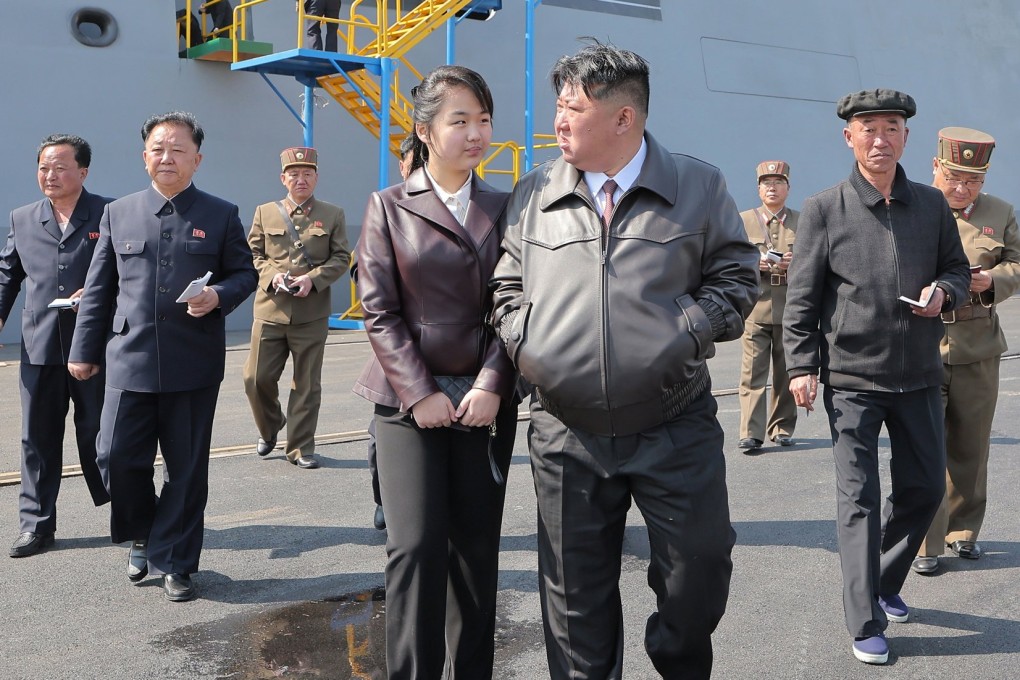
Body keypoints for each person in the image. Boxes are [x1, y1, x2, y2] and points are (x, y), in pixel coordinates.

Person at [491, 40, 759, 679]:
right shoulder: (532, 194)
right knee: (572, 602)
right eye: (558, 106)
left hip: (673, 420)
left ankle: (674, 655)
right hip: (566, 430)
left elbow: (737, 277)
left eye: (572, 108)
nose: (558, 121)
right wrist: (528, 346)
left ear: (623, 118)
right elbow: (505, 287)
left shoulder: (697, 185)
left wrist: (685, 332)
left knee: (699, 573)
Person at [783, 90, 971, 665]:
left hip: (917, 375)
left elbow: (957, 269)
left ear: (907, 138)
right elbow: (803, 294)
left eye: (892, 128)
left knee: (924, 490)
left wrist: (945, 293)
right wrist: (800, 364)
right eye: (868, 128)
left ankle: (886, 580)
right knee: (859, 501)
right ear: (849, 137)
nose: (880, 138)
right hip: (852, 381)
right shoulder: (824, 208)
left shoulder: (932, 207)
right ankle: (864, 619)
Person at [352, 65, 517, 679]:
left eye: (484, 120)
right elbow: (379, 310)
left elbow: (516, 307)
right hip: (405, 403)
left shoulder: (507, 206)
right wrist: (419, 393)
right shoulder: (388, 206)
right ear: (424, 130)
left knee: (475, 555)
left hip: (482, 402)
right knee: (416, 548)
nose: (476, 133)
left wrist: (493, 384)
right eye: (460, 121)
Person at [67, 111, 257, 602]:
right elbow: (99, 290)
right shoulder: (119, 212)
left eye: (177, 148)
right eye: (157, 147)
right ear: (144, 156)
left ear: (197, 158)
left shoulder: (220, 213)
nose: (166, 156)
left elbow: (244, 274)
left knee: (187, 469)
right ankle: (144, 531)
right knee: (113, 456)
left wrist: (219, 296)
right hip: (127, 358)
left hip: (192, 363)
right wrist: (83, 351)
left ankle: (176, 562)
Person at [912, 128, 1020, 575]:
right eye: (954, 177)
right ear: (936, 167)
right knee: (925, 447)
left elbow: (1017, 262)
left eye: (972, 181)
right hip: (922, 345)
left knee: (971, 447)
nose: (962, 189)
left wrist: (993, 280)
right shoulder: (913, 206)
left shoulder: (1001, 212)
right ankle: (927, 543)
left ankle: (964, 531)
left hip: (978, 346)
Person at [0, 134, 112, 558]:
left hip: (96, 347)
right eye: (44, 167)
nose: (50, 174)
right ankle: (37, 525)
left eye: (61, 166)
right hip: (40, 347)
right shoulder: (23, 218)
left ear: (83, 172)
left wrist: (101, 295)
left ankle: (131, 515)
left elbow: (129, 271)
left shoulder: (109, 213)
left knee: (103, 436)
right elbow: (7, 273)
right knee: (37, 439)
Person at [242, 147, 350, 470]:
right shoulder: (265, 213)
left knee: (306, 383)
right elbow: (254, 255)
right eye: (294, 174)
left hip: (311, 313)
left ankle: (301, 447)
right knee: (255, 378)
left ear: (316, 178)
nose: (300, 179)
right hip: (270, 310)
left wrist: (313, 280)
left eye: (307, 174)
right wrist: (273, 277)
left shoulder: (332, 214)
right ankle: (271, 425)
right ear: (283, 178)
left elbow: (342, 257)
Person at [737, 160, 798, 453]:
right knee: (753, 373)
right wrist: (753, 263)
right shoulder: (743, 220)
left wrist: (793, 262)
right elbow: (730, 258)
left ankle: (782, 427)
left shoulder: (802, 221)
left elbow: (817, 259)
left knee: (786, 372)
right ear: (759, 189)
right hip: (756, 308)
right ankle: (751, 432)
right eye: (766, 183)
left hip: (790, 308)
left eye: (778, 182)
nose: (772, 188)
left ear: (788, 187)